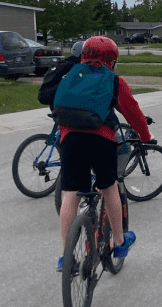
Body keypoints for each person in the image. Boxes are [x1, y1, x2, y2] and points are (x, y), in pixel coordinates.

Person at [55, 36, 151, 271]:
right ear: (112, 59)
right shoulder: (114, 81)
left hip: (70, 140)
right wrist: (145, 137)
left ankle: (66, 257)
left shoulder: (69, 76)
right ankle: (119, 243)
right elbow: (133, 113)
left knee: (71, 194)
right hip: (101, 140)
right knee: (109, 188)